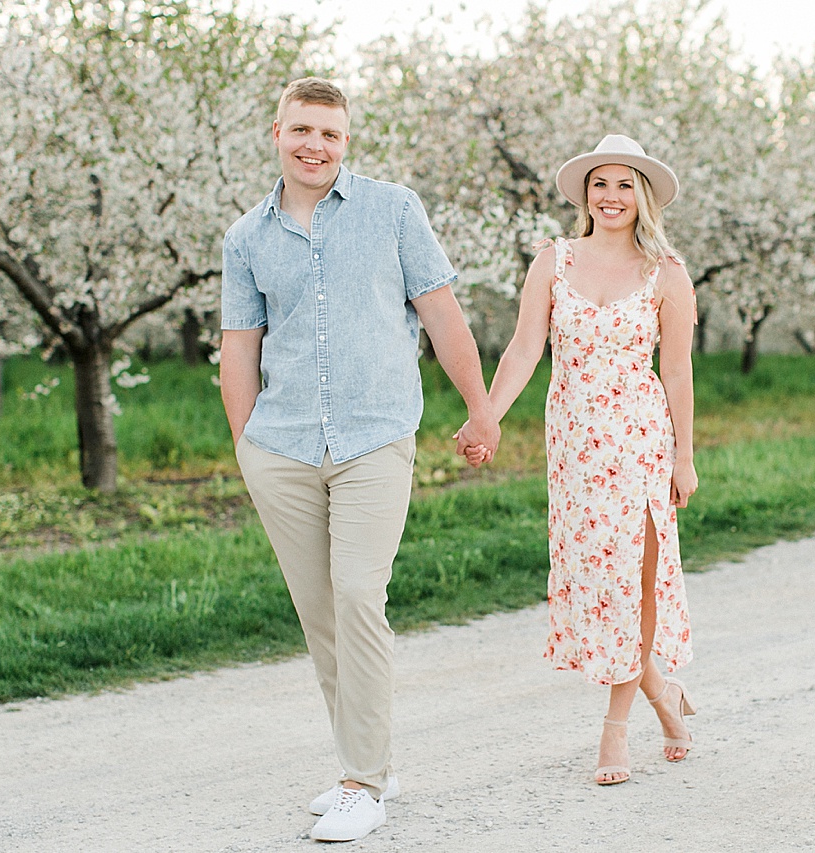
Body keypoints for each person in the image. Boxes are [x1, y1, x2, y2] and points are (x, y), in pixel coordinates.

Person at [219, 77, 499, 842]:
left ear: (347, 141)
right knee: (320, 615)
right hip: (282, 446)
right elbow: (239, 351)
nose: (316, 146)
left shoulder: (394, 210)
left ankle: (362, 782)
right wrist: (247, 447)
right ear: (276, 132)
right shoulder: (245, 238)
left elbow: (442, 316)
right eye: (302, 130)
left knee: (356, 595)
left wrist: (479, 408)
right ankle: (366, 754)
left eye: (331, 134)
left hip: (375, 437)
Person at [464, 134, 698, 785]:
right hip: (573, 450)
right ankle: (665, 696)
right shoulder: (554, 261)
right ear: (585, 194)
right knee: (599, 583)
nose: (612, 196)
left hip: (641, 445)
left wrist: (685, 457)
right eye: (602, 184)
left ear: (642, 195)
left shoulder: (667, 272)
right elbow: (521, 350)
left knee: (634, 580)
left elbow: (676, 373)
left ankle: (615, 730)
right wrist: (487, 415)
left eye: (625, 184)